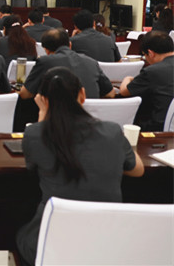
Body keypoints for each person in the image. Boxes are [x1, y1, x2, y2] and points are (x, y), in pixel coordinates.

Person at [16, 67, 144, 266]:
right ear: (83, 95)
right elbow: (137, 170)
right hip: (104, 243)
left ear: (43, 100)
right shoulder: (112, 130)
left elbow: (35, 164)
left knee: (18, 228)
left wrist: (43, 114)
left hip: (52, 243)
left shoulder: (35, 134)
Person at [19, 29, 115, 100]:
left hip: (59, 119)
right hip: (90, 118)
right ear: (70, 45)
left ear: (46, 50)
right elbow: (110, 93)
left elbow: (25, 94)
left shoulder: (45, 62)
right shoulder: (91, 62)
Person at [120, 31, 174, 131]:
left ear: (151, 53)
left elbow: (124, 91)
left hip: (158, 128)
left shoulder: (152, 71)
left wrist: (127, 78)